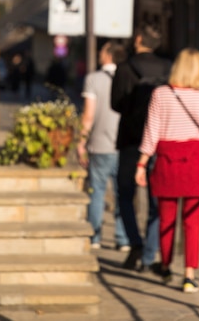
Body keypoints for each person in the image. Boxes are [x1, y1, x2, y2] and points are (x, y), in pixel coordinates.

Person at [135, 47, 199, 293]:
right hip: (197, 162)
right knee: (193, 221)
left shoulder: (161, 94)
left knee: (166, 218)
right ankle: (189, 275)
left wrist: (141, 163)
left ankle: (166, 264)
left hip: (166, 162)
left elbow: (151, 131)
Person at [111, 23, 171, 271]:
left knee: (125, 195)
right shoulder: (168, 68)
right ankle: (148, 255)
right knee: (156, 200)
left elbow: (115, 104)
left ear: (138, 39)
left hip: (130, 141)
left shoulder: (125, 68)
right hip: (159, 142)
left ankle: (134, 241)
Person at [77, 41, 129, 251]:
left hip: (99, 144)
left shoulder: (93, 79)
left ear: (108, 55)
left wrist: (81, 142)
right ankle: (123, 238)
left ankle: (95, 236)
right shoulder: (128, 77)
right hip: (123, 144)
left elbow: (88, 115)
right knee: (122, 193)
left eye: (102, 51)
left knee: (96, 191)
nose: (99, 53)